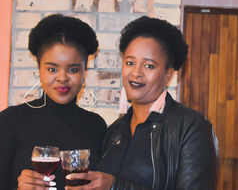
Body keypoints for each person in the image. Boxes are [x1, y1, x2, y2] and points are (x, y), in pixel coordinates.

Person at [66, 16, 219, 190]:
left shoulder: (191, 127)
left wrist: (116, 185)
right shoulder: (114, 132)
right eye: (130, 63)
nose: (136, 73)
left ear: (168, 75)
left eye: (149, 66)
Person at [0, 14, 107, 189]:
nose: (62, 78)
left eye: (73, 69)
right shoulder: (9, 121)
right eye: (52, 69)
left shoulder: (96, 126)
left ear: (84, 72)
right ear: (39, 68)